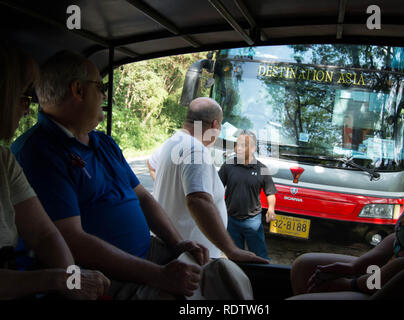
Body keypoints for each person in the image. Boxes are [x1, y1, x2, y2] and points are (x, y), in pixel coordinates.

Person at [11, 51, 209, 300]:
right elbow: (72, 240)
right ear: (78, 90)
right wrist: (159, 275)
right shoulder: (38, 153)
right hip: (105, 276)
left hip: (148, 255)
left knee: (219, 276)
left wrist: (177, 243)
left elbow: (143, 198)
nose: (105, 94)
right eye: (100, 86)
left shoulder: (103, 142)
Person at [289, 62, 404, 299]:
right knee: (303, 267)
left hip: (400, 284)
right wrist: (358, 265)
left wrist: (355, 284)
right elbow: (403, 235)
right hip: (391, 266)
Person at [0, 44, 109, 300]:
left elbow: (44, 233)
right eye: (23, 96)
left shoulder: (4, 160)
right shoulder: (33, 151)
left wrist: (72, 280)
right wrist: (60, 279)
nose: (27, 109)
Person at [153, 97, 269, 263]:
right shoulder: (196, 151)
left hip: (171, 249)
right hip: (189, 257)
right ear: (215, 125)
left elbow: (152, 167)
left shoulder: (172, 143)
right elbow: (198, 200)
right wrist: (232, 250)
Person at [218, 130, 277, 260]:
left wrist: (271, 209)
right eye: (237, 144)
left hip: (253, 221)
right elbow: (216, 187)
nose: (238, 148)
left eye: (243, 145)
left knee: (260, 257)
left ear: (253, 148)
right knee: (235, 257)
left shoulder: (262, 169)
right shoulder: (228, 165)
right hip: (231, 219)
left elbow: (270, 192)